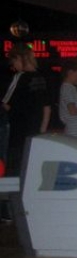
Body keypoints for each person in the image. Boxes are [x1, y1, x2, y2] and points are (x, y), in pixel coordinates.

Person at [3, 43, 51, 176]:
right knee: (31, 166)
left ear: (19, 58)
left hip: (18, 130)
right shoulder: (40, 77)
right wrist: (42, 129)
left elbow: (6, 103)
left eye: (13, 61)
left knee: (16, 166)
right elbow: (47, 107)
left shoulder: (20, 77)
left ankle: (13, 195)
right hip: (35, 129)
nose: (13, 66)